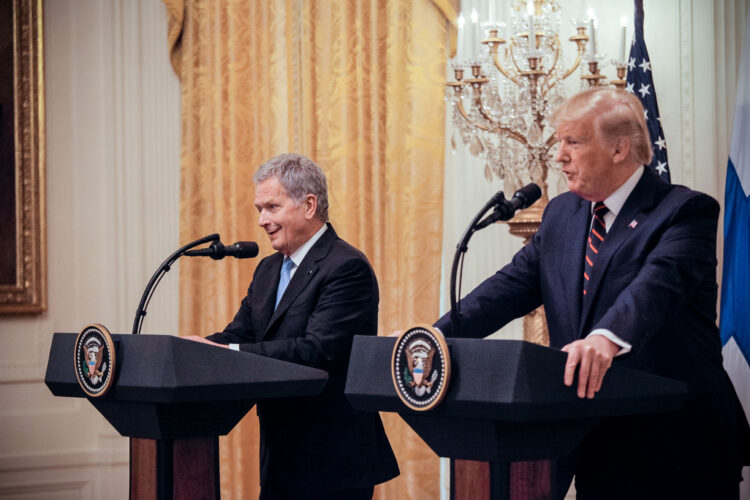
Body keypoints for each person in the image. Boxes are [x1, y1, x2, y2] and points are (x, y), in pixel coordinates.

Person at [434, 87, 750, 499]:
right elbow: (511, 286)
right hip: (595, 442)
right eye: (558, 141)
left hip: (679, 444)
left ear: (619, 148)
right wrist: (435, 338)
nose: (559, 155)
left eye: (573, 141)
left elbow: (656, 287)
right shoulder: (563, 212)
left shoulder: (683, 212)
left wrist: (605, 337)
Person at [187, 154, 399, 499]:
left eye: (271, 207)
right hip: (281, 458)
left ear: (309, 205)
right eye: (260, 208)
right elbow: (241, 333)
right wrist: (193, 350)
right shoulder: (268, 269)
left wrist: (227, 353)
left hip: (333, 462)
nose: (261, 220)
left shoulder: (347, 267)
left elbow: (317, 350)